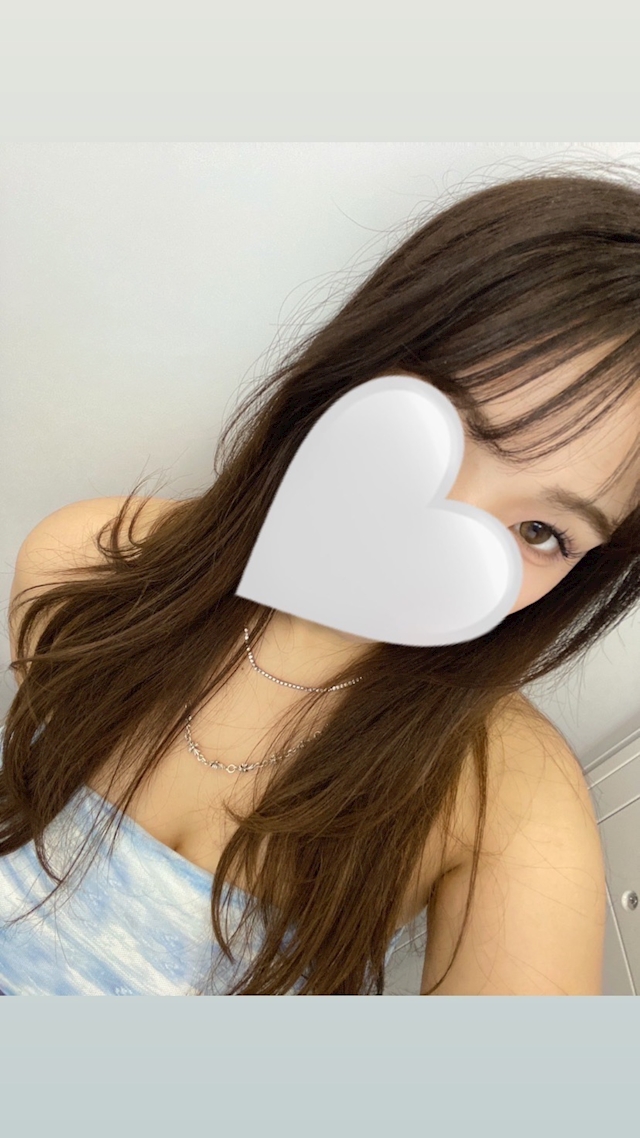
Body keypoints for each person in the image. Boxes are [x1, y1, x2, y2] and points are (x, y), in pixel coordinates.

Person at [2, 169, 640, 996]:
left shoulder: (506, 801)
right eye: (441, 433)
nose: (442, 534)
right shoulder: (87, 562)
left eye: (541, 532)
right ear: (359, 363)